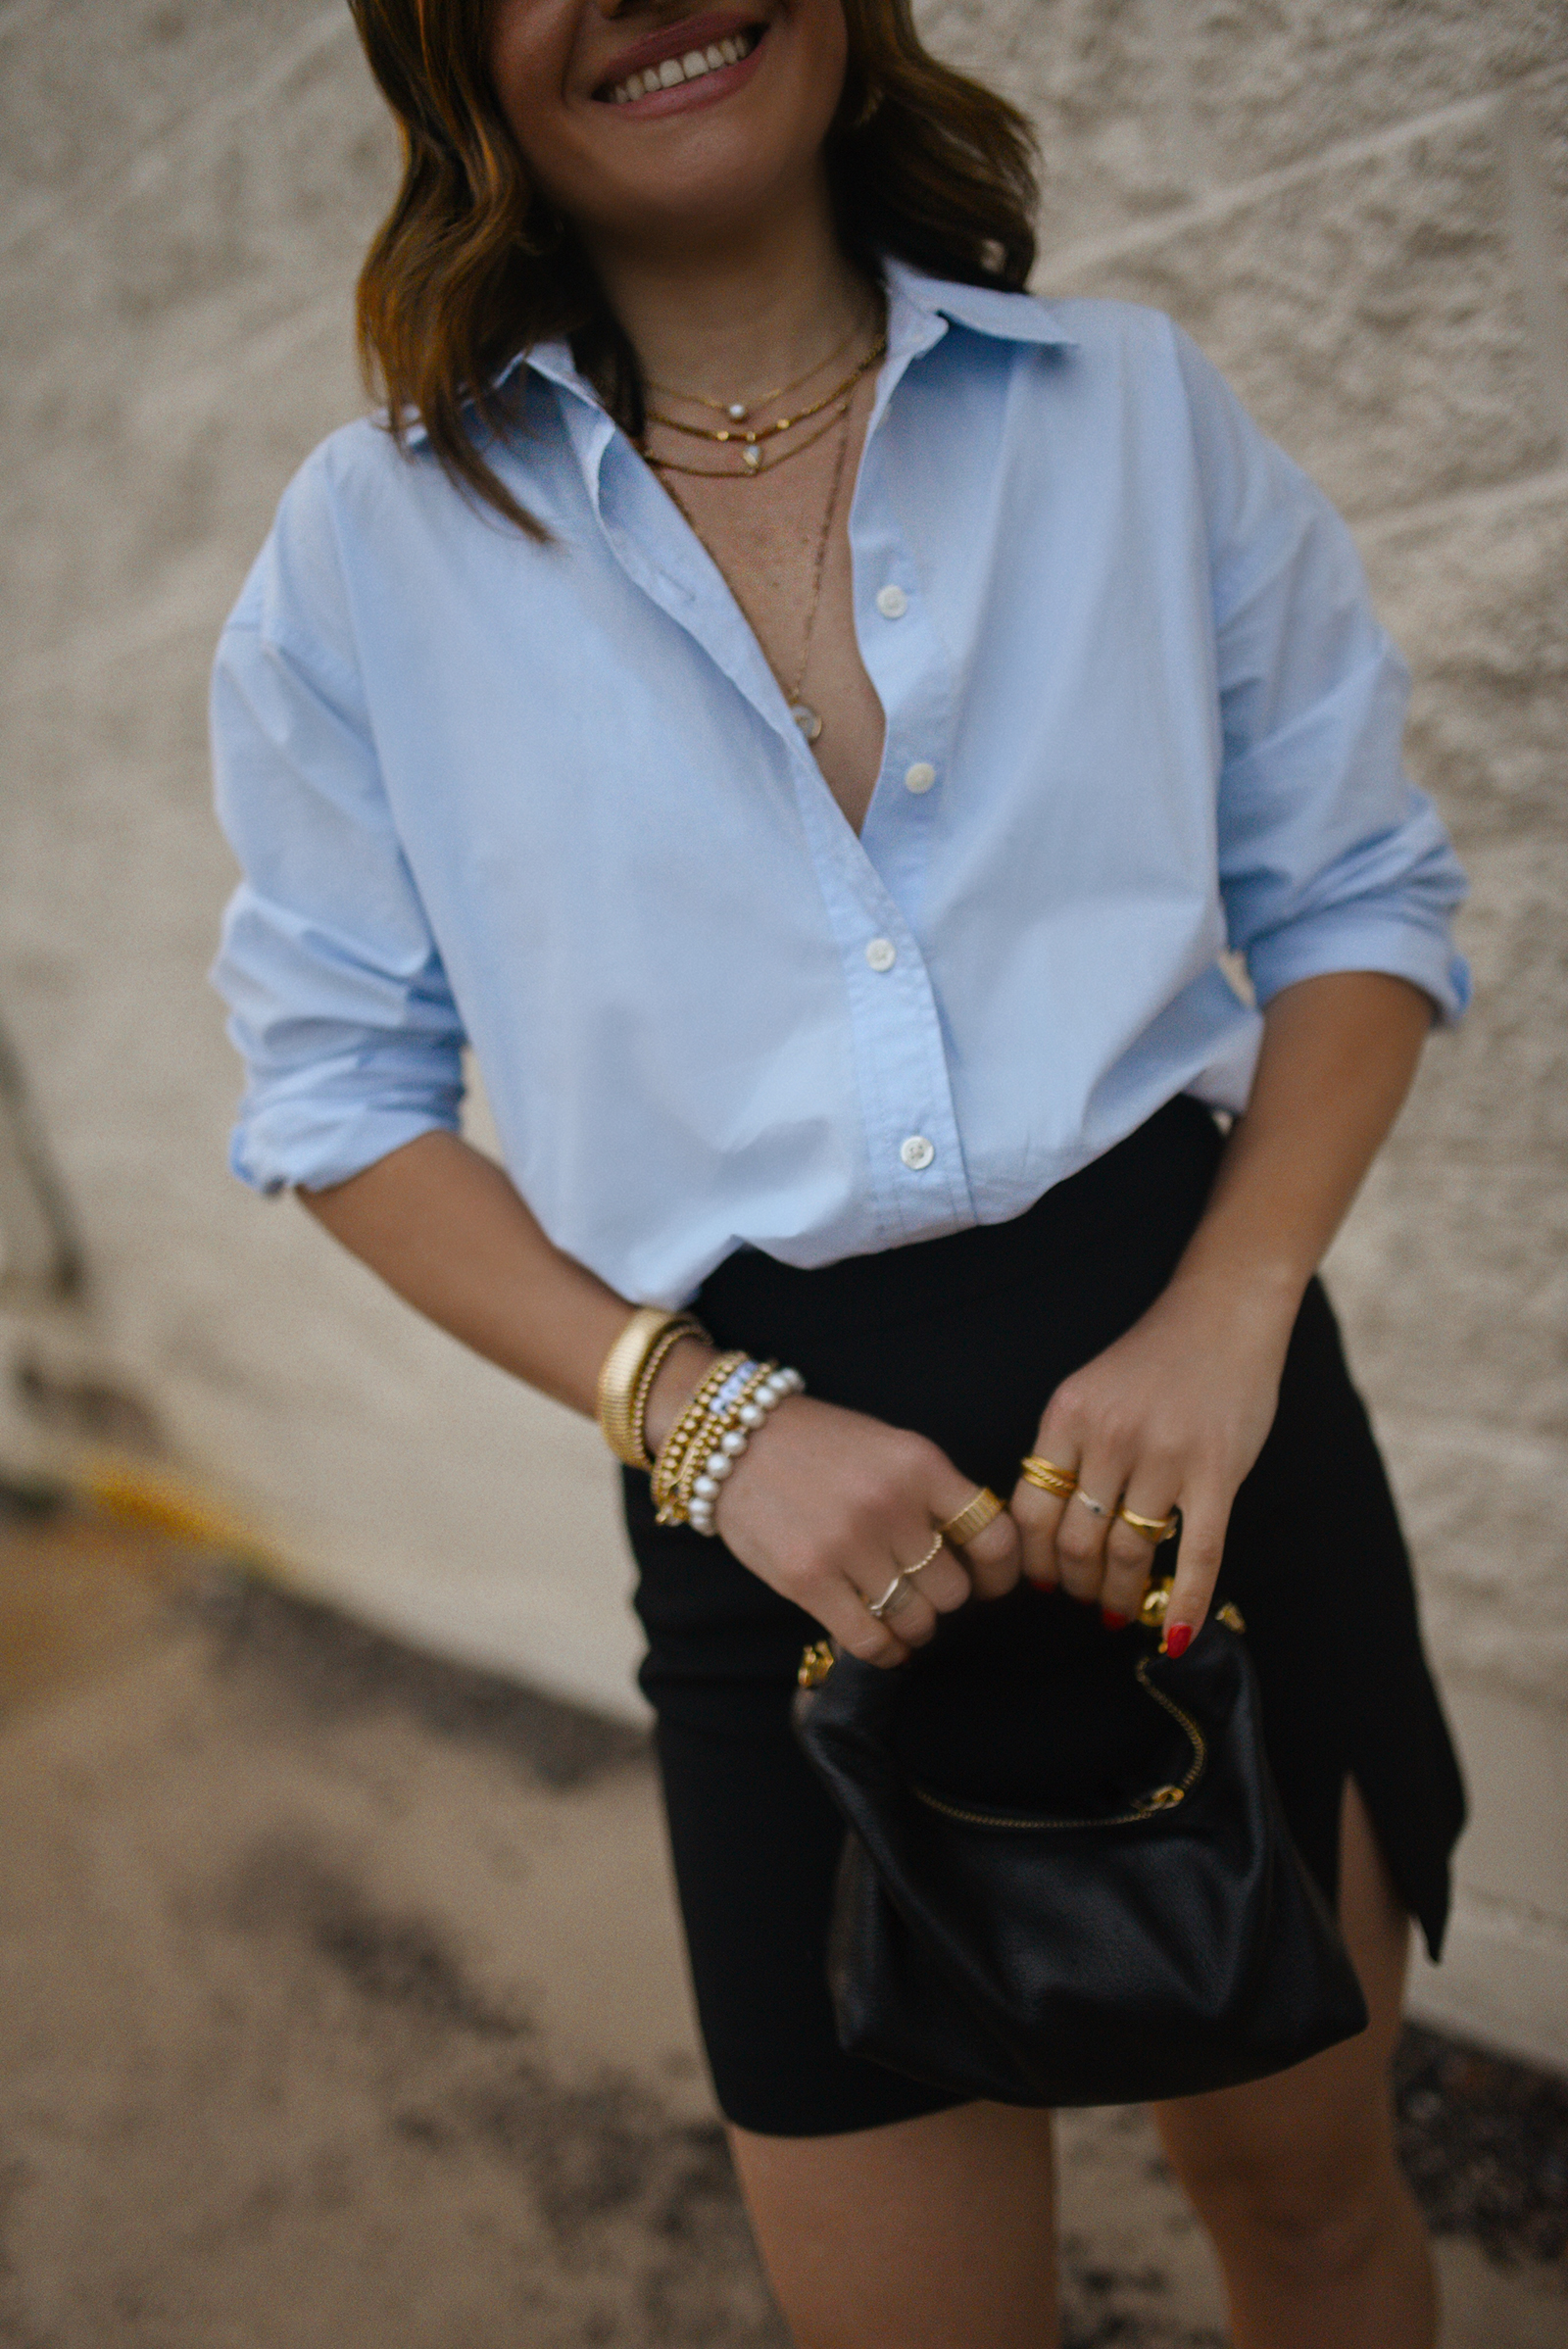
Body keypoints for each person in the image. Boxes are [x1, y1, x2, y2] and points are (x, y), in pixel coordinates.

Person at [209, 1, 1470, 2341]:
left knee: (1306, 2213)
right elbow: (336, 1095)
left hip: (1209, 1468)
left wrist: (1226, 1314)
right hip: (768, 1533)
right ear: (446, 51)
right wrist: (702, 1418)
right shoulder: (365, 554)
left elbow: (1357, 908)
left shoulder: (1128, 417)